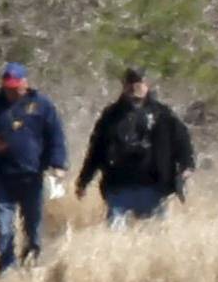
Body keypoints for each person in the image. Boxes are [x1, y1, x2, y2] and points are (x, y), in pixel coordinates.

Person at [0, 62, 69, 273]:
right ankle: (6, 269)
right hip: (1, 176)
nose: (11, 92)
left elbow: (55, 135)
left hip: (32, 175)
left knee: (33, 226)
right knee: (4, 228)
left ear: (25, 82)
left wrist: (58, 164)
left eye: (15, 87)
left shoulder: (42, 105)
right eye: (7, 88)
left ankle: (31, 263)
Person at [77, 66, 194, 224]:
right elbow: (96, 150)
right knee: (115, 237)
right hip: (118, 185)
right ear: (124, 86)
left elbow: (183, 143)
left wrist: (187, 167)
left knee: (153, 237)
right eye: (130, 83)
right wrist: (84, 181)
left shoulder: (163, 114)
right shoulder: (111, 115)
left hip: (154, 186)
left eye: (138, 83)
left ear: (147, 85)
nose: (134, 87)